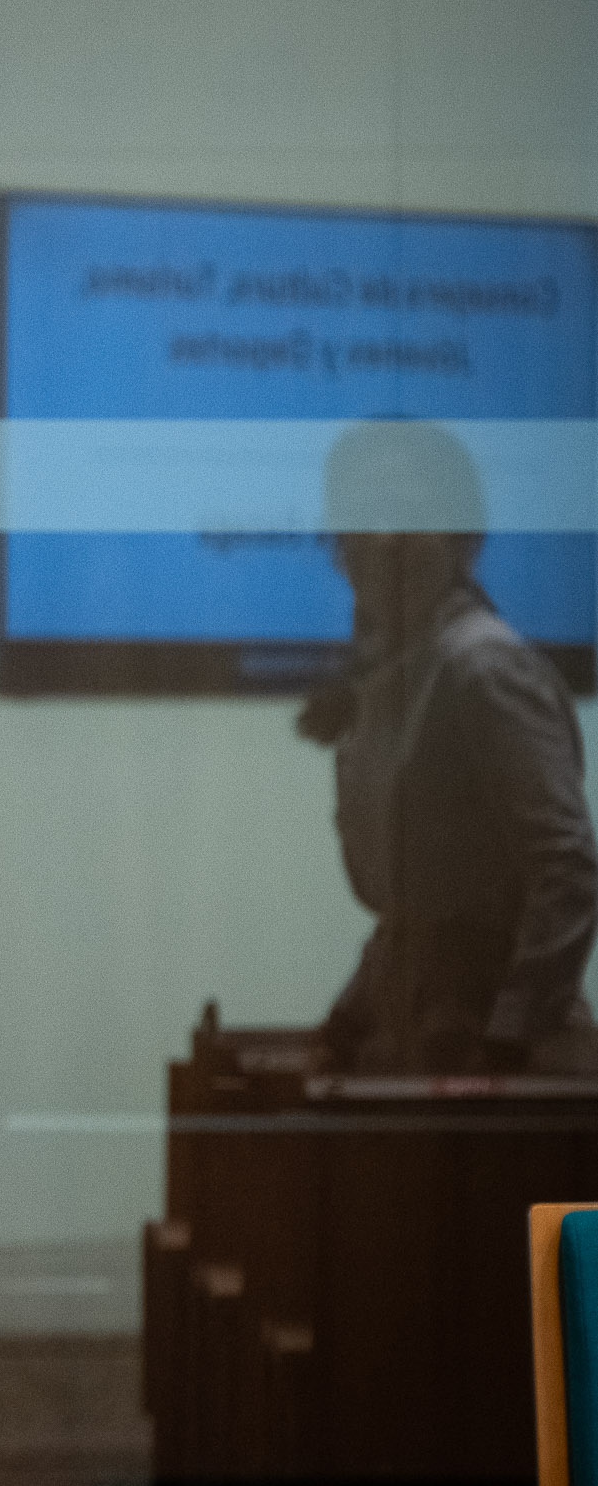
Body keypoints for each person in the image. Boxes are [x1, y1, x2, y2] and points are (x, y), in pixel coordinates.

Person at [295, 419, 598, 1074]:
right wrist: (345, 1024)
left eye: (408, 511)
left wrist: (503, 1044)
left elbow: (568, 873)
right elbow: (417, 919)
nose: (382, 537)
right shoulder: (391, 676)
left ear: (461, 536)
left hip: (502, 1074)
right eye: (360, 514)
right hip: (427, 1050)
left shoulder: (482, 667)